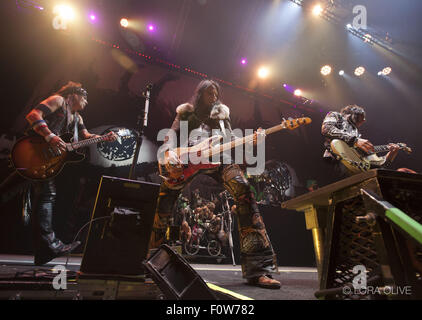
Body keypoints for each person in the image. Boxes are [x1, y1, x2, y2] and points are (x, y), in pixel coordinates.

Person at [150, 79, 280, 289]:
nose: (214, 97)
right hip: (189, 160)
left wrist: (252, 140)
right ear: (199, 94)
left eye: (216, 94)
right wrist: (169, 155)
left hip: (219, 159)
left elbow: (230, 140)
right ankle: (151, 260)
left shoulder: (222, 115)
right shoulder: (186, 112)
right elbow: (171, 137)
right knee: (162, 203)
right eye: (210, 93)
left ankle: (259, 270)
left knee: (245, 191)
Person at [24, 81, 117, 265]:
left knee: (37, 193)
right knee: (46, 194)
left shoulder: (77, 118)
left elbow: (86, 136)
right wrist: (49, 136)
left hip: (46, 160)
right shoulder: (58, 100)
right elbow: (33, 115)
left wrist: (105, 137)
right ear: (73, 94)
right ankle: (48, 247)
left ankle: (45, 249)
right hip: (33, 152)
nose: (87, 102)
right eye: (85, 97)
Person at [321, 105, 400, 181]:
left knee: (382, 175)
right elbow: (327, 128)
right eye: (362, 116)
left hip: (355, 167)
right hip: (337, 160)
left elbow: (375, 164)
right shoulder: (335, 115)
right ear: (352, 114)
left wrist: (390, 156)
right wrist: (355, 140)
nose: (364, 120)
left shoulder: (356, 133)